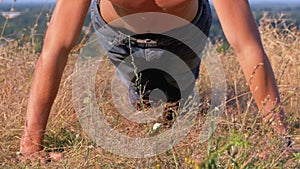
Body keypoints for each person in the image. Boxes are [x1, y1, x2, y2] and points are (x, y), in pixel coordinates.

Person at [18, 0, 292, 162]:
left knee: (173, 113)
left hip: (185, 35)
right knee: (148, 113)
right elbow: (56, 47)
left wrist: (281, 138)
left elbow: (247, 47)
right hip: (120, 39)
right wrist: (30, 143)